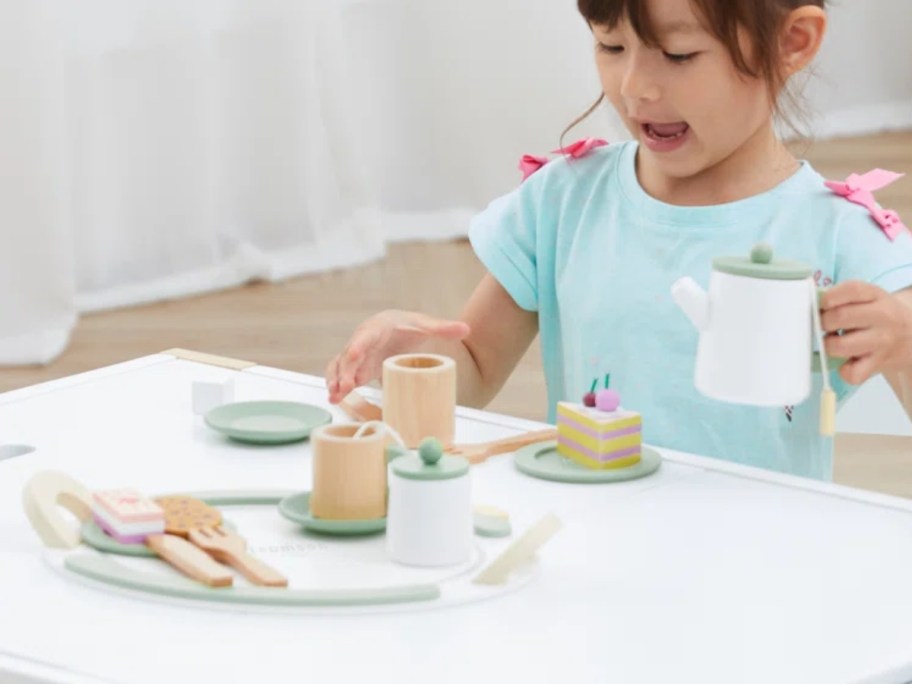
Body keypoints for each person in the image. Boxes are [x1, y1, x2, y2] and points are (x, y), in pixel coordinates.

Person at [326, 0, 912, 480]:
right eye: (610, 46)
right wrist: (411, 356)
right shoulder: (564, 200)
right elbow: (475, 366)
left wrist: (901, 339)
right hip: (595, 536)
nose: (635, 87)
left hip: (758, 566)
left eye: (679, 54)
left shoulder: (839, 230)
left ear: (792, 42)